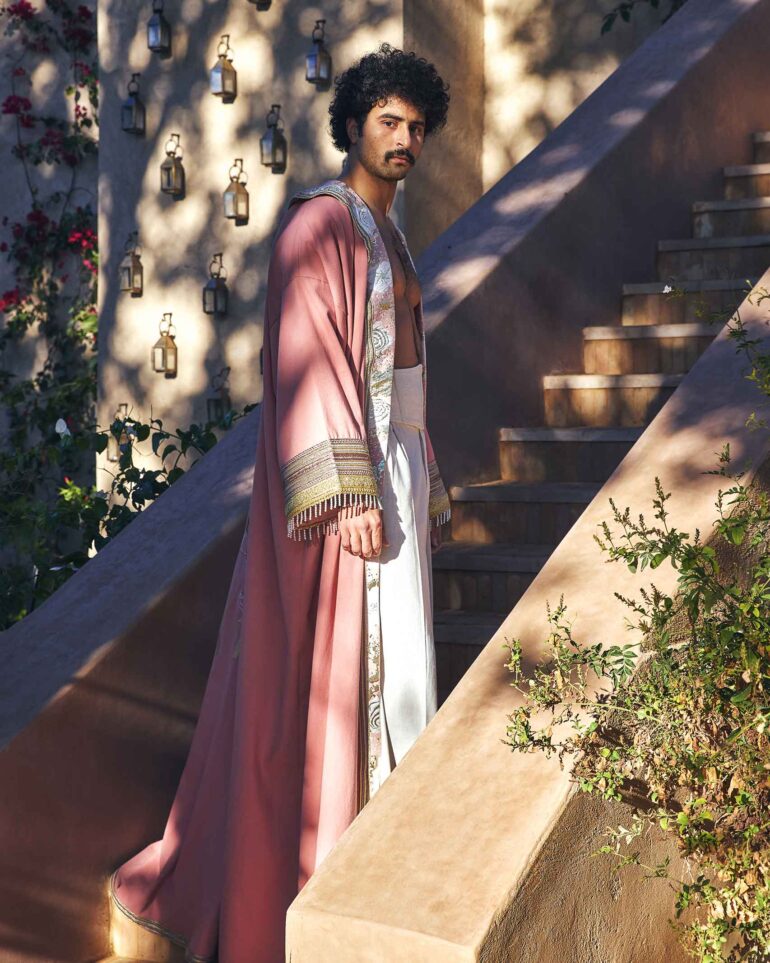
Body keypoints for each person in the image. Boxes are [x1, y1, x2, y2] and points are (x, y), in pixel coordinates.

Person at [110, 43, 451, 963]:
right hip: (349, 489)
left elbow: (404, 375)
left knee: (407, 671)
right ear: (353, 125)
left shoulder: (392, 237)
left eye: (417, 126)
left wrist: (424, 468)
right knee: (347, 676)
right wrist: (351, 492)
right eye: (388, 121)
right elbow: (309, 362)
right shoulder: (319, 225)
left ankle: (384, 879)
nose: (405, 139)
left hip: (396, 471)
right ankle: (320, 885)